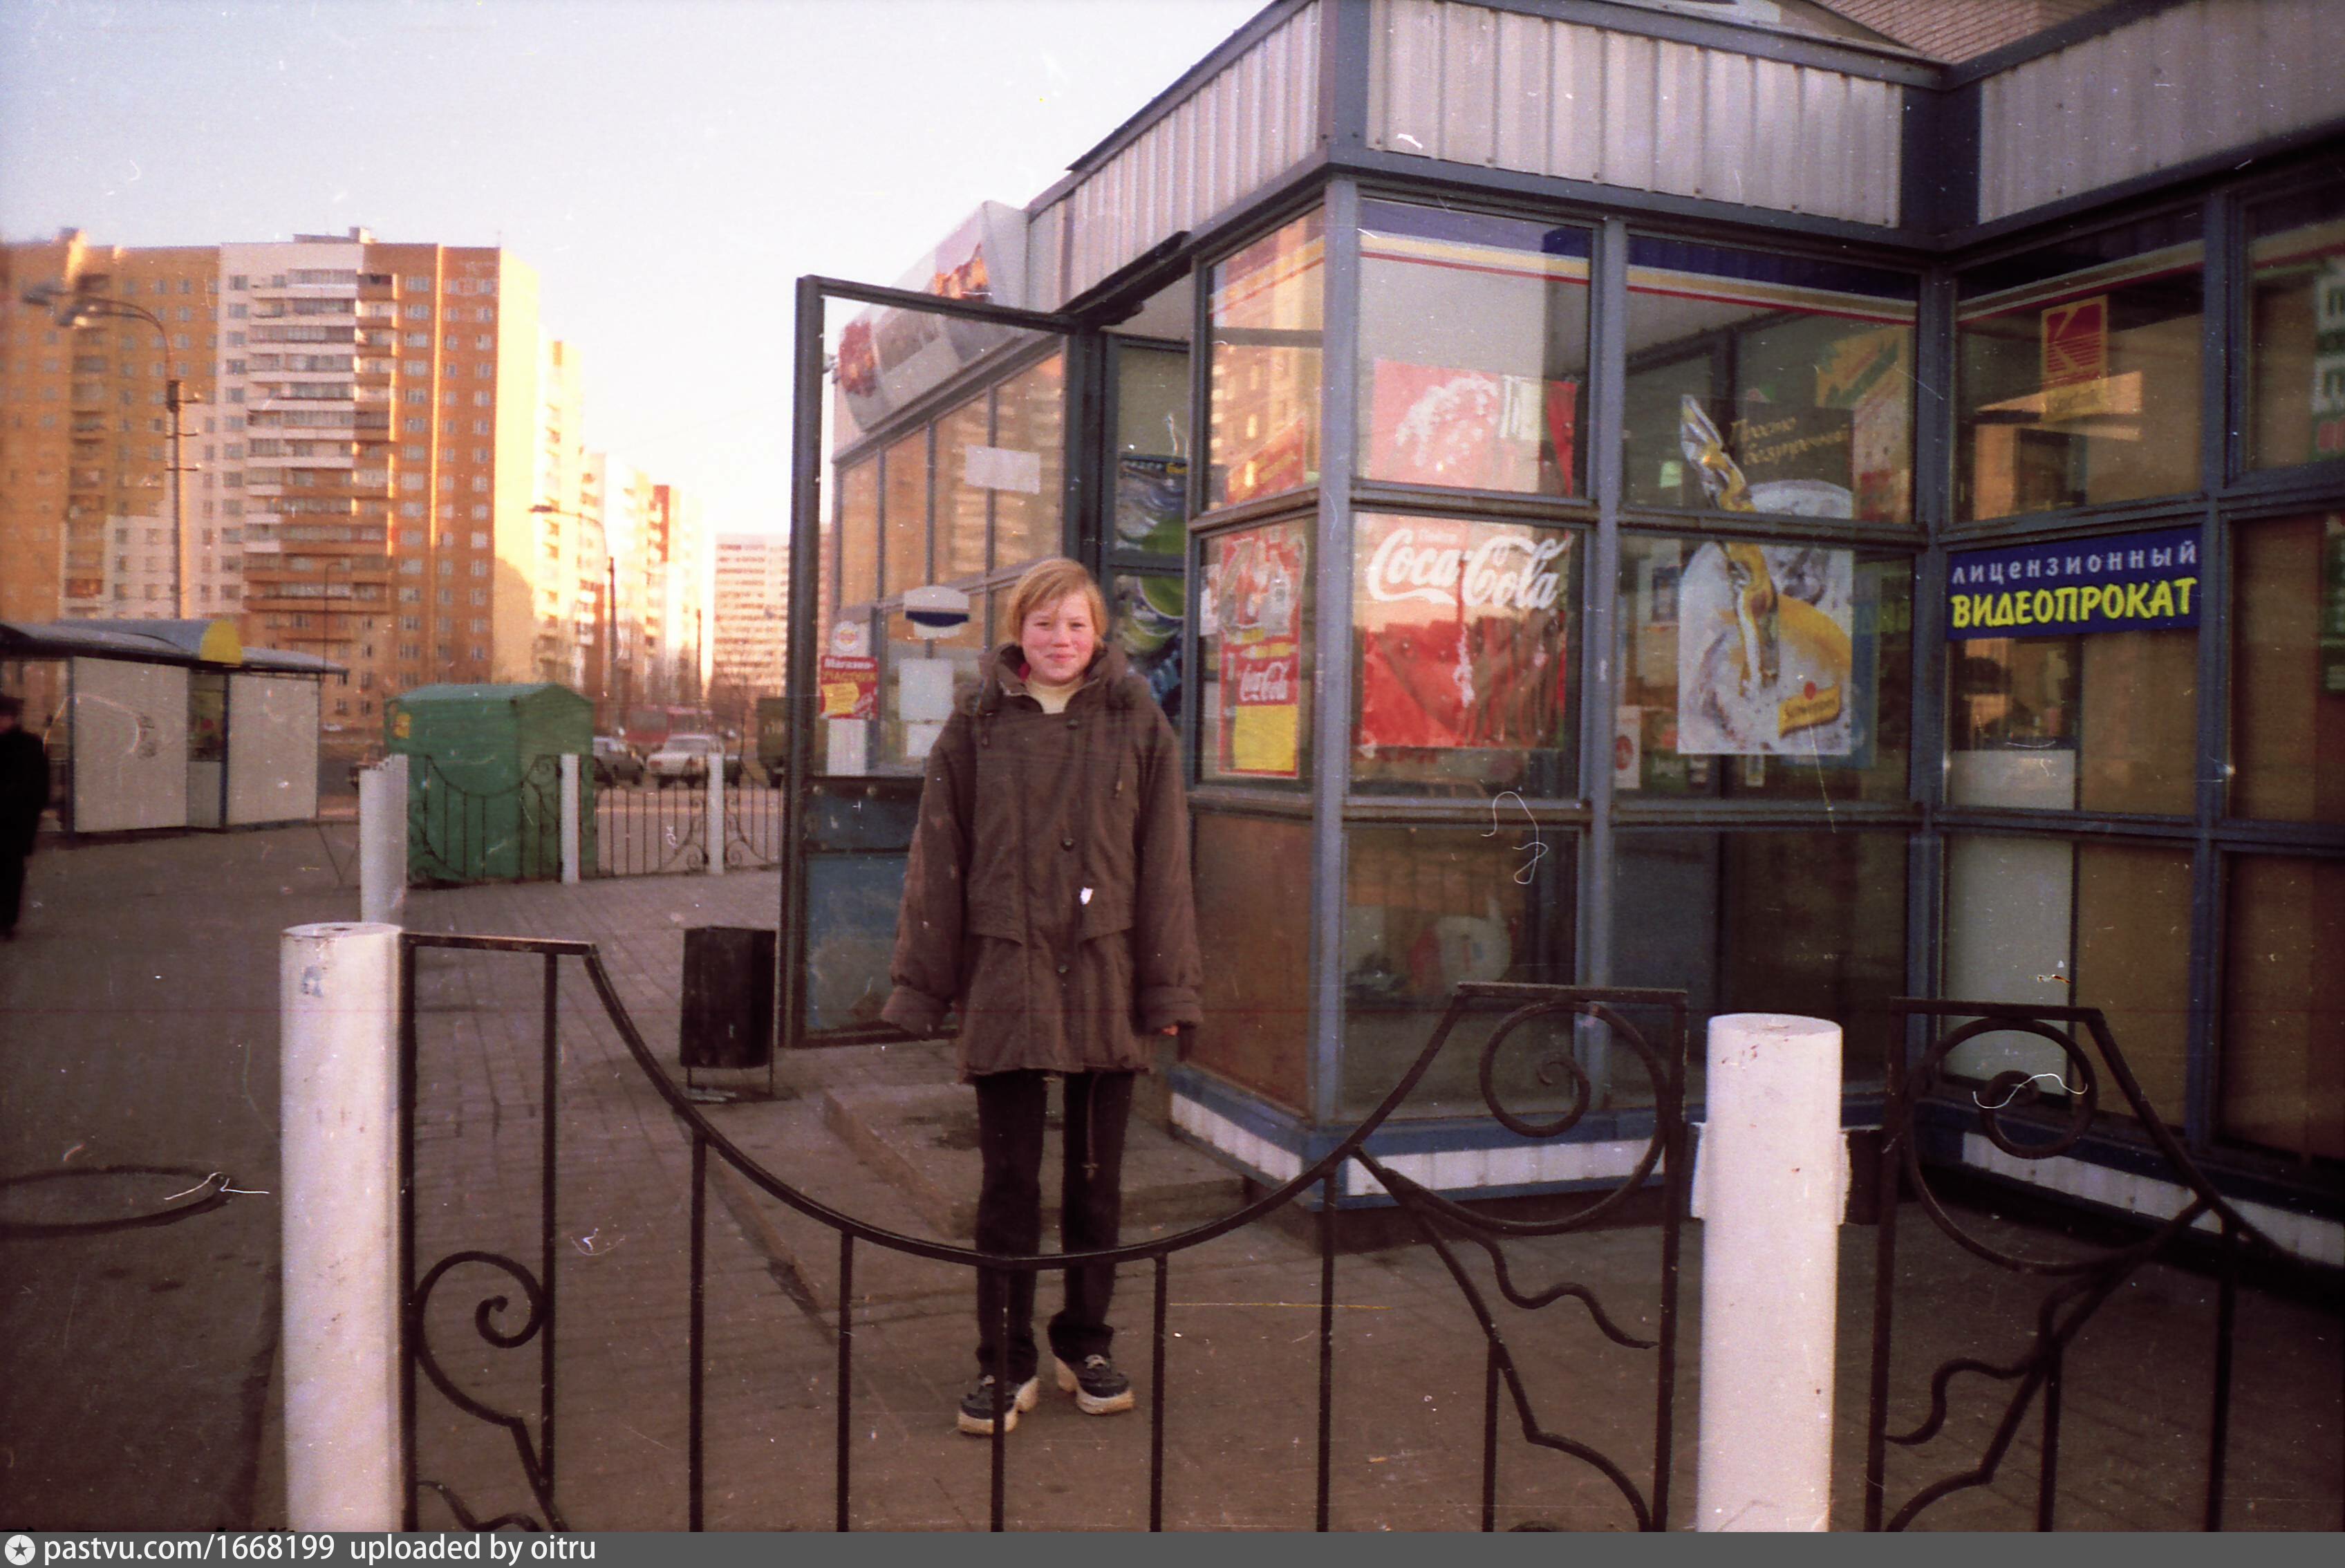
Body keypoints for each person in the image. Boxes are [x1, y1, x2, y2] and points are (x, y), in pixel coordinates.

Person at [882, 557, 1202, 1437]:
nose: (1060, 640)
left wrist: (1166, 986)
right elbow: (938, 858)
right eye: (1043, 623)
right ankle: (1004, 1359)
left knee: (1097, 1185)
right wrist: (921, 986)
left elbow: (1164, 864)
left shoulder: (1136, 718)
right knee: (1008, 1185)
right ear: (1017, 631)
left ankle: (1084, 1345)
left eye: (1075, 624)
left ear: (1097, 634)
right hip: (1007, 973)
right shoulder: (976, 721)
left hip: (1104, 975)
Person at [0, 694, 53, 941]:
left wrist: (29, 815)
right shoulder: (30, 745)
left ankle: (6, 921)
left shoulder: (29, 745)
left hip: (14, 823)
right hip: (14, 821)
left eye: (4, 717)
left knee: (11, 873)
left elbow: (39, 787)